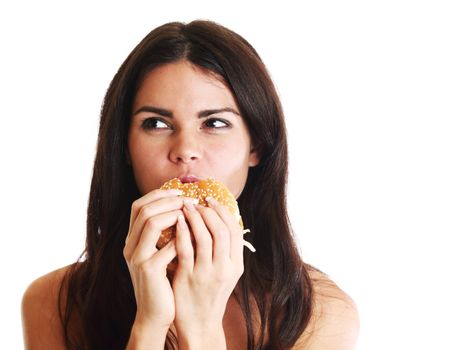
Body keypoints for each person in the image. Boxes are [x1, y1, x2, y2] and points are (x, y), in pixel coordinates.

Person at [21, 20, 359, 349]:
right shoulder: (54, 302)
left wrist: (200, 328)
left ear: (255, 145)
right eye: (156, 123)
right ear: (124, 146)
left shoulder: (319, 312)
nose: (185, 151)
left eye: (214, 123)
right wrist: (149, 325)